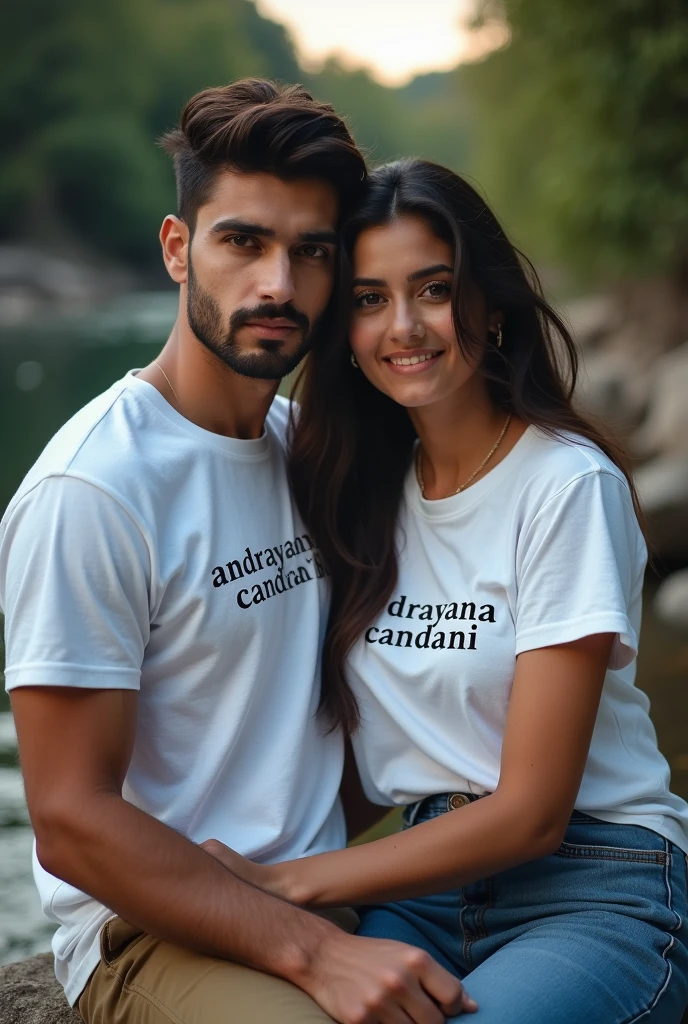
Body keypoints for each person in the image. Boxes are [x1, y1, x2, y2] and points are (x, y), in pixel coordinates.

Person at [0, 93, 474, 1024]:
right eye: (243, 243)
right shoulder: (95, 490)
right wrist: (316, 954)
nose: (279, 285)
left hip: (312, 883)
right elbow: (69, 821)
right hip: (152, 932)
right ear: (179, 250)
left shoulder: (308, 452)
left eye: (312, 253)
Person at [204, 159, 688, 1023]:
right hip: (423, 886)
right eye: (368, 299)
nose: (405, 326)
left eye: (433, 289)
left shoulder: (565, 488)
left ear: (490, 306)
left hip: (591, 882)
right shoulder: (358, 490)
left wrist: (284, 882)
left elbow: (534, 812)